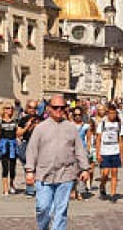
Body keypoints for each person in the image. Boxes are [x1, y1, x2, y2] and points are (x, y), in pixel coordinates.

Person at [24, 95, 91, 230]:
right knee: (43, 207)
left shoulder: (71, 128)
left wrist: (85, 168)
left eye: (62, 107)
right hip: (44, 174)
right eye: (55, 107)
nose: (59, 110)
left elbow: (79, 149)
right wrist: (29, 171)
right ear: (48, 109)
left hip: (66, 174)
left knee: (61, 210)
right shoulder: (40, 128)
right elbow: (31, 150)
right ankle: (43, 227)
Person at [96, 104, 123, 202]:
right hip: (104, 151)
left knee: (114, 173)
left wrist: (122, 155)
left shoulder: (119, 125)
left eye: (114, 113)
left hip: (115, 151)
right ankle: (102, 185)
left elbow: (121, 141)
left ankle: (113, 194)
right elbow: (98, 139)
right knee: (105, 173)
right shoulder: (102, 124)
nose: (112, 115)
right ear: (107, 113)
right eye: (110, 113)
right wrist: (98, 153)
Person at [18, 100, 43, 197]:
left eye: (35, 108)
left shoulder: (41, 119)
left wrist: (38, 127)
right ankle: (30, 189)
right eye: (31, 107)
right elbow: (18, 134)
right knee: (28, 167)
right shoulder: (23, 119)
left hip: (39, 145)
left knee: (38, 168)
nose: (33, 110)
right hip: (27, 144)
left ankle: (39, 188)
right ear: (27, 108)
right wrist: (27, 126)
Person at [0, 103, 20, 196]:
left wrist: (19, 140)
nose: (10, 110)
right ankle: (5, 188)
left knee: (12, 168)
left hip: (13, 145)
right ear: (4, 109)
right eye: (8, 108)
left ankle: (12, 184)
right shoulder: (0, 121)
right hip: (4, 145)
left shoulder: (15, 120)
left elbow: (17, 133)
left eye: (11, 108)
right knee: (5, 167)